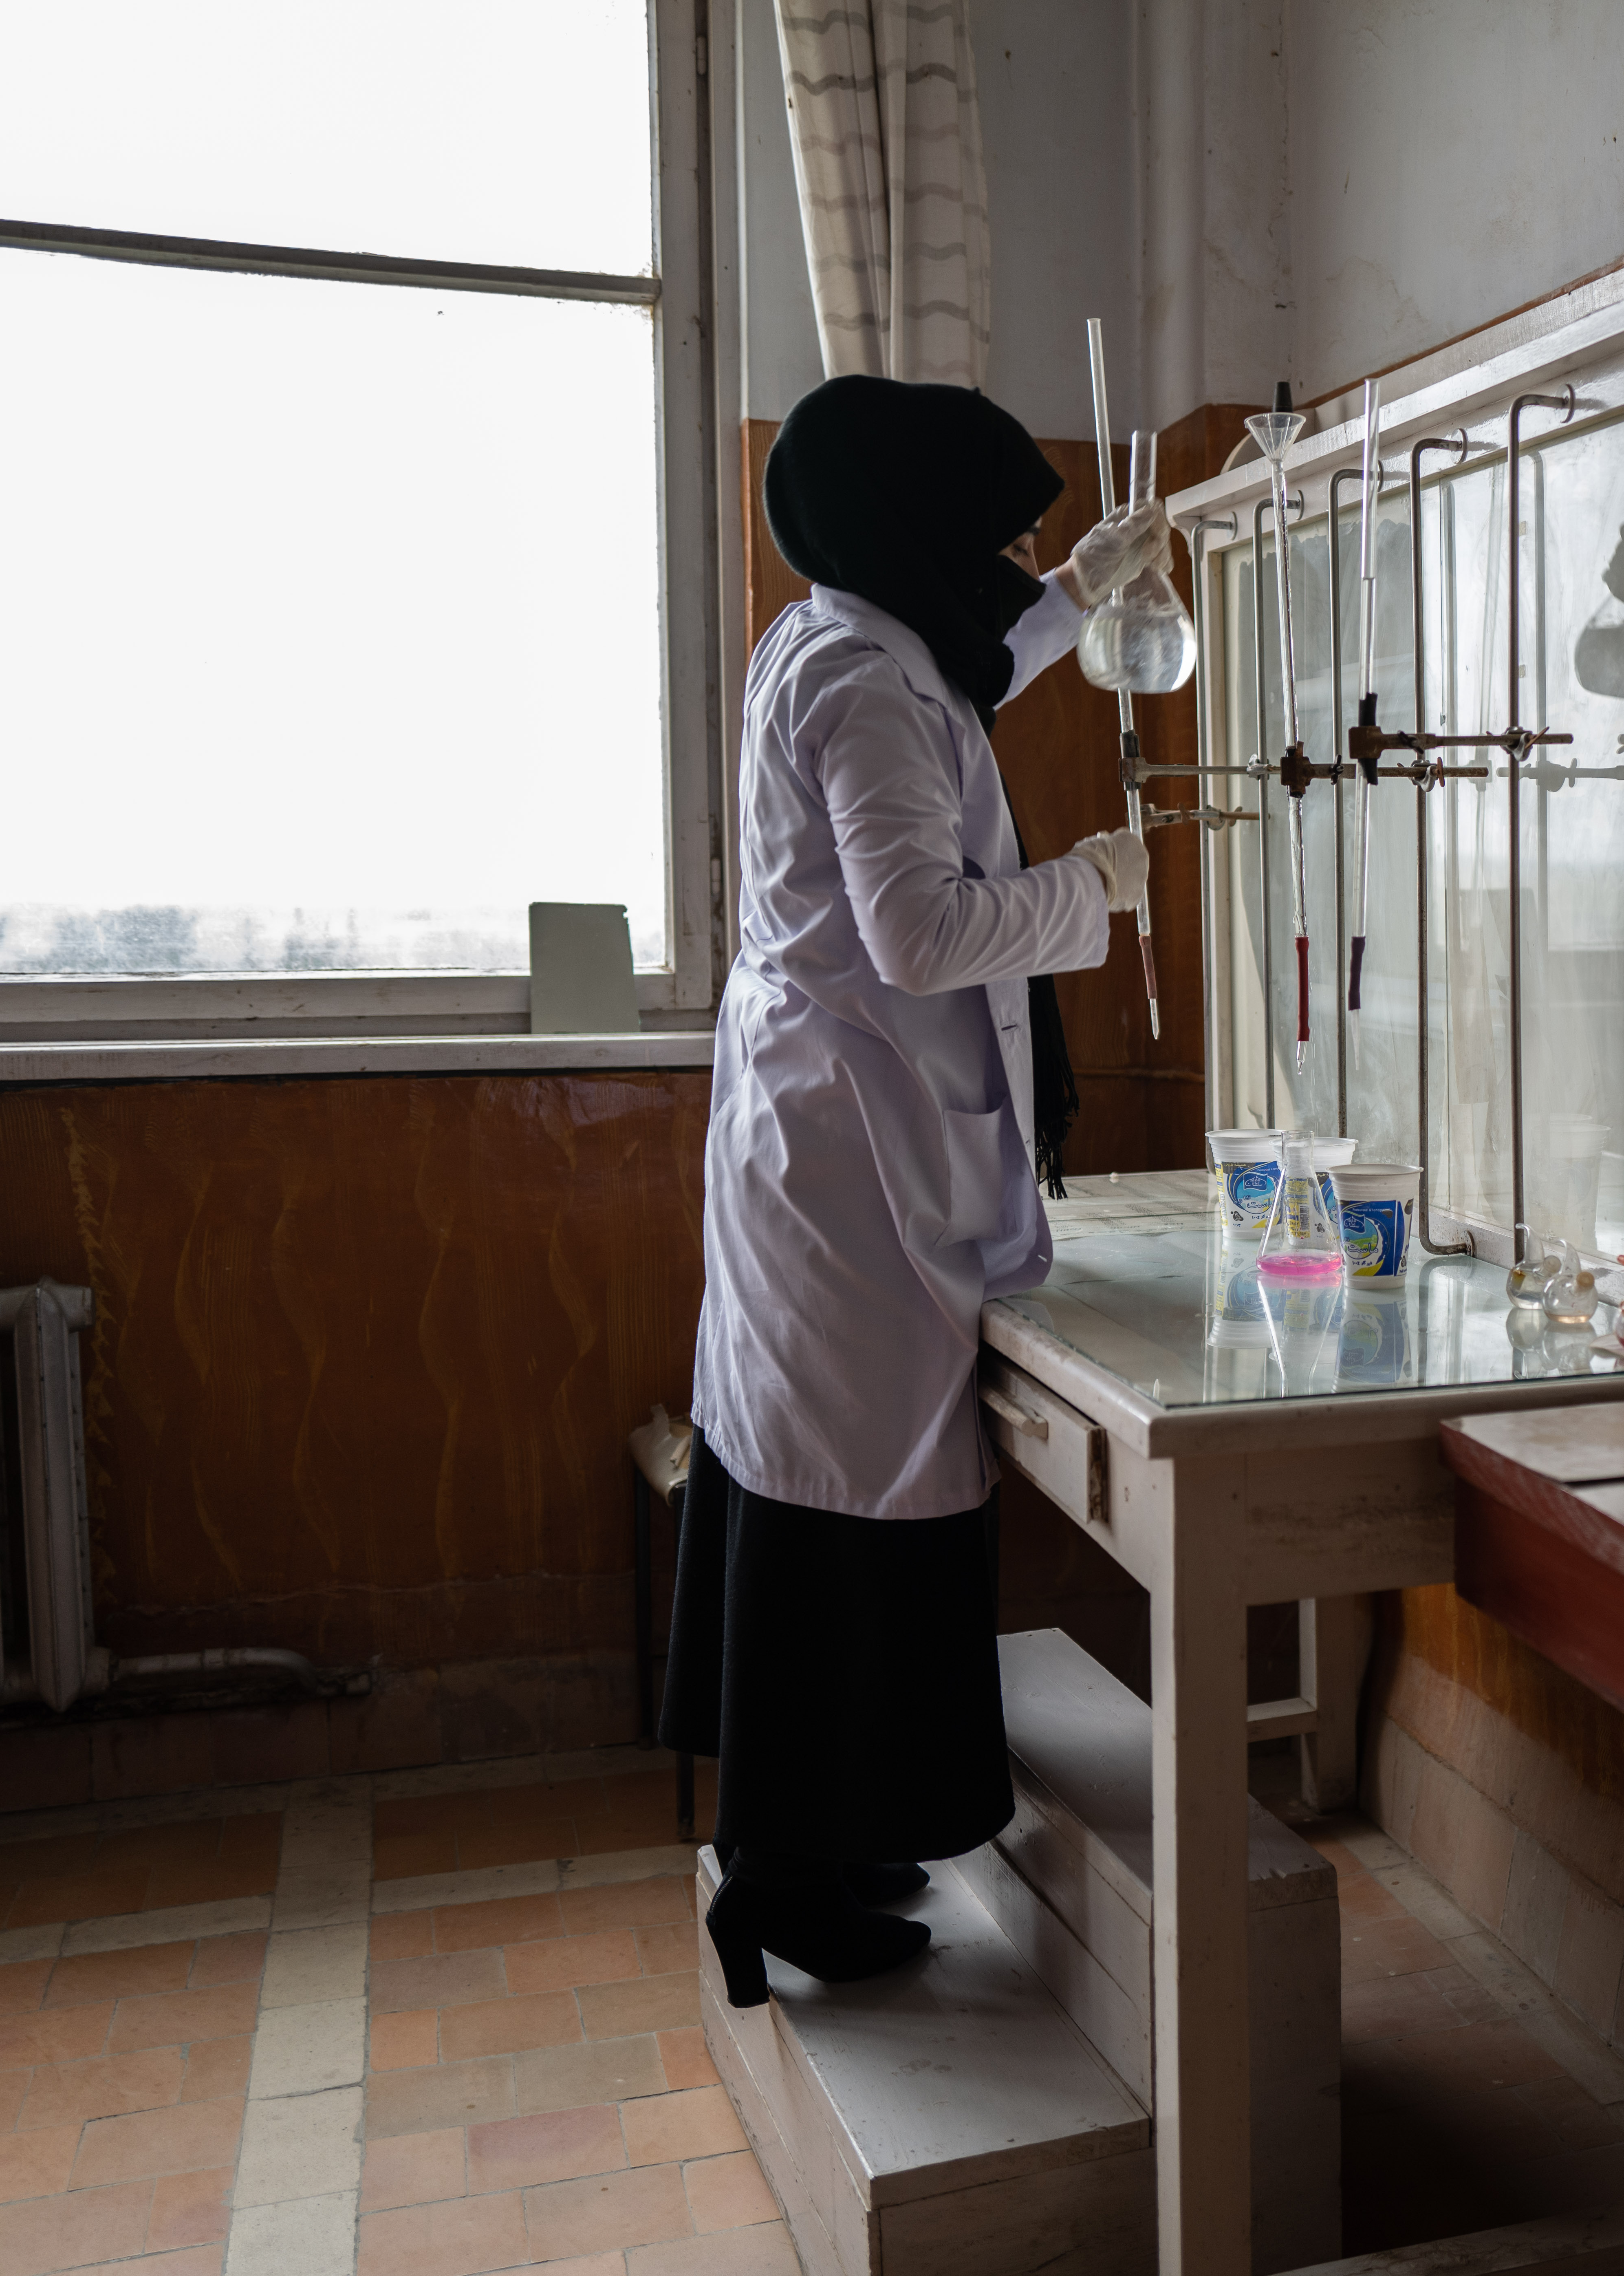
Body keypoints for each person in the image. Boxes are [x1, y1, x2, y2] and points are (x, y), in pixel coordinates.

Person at [659, 374, 1168, 2009]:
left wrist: (1076, 588)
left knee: (830, 1491)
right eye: (991, 538)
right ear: (911, 529)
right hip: (850, 1152)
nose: (1000, 564)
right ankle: (784, 1881)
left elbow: (970, 660)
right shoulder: (861, 685)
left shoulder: (843, 633)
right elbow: (923, 932)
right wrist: (1091, 889)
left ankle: (827, 1842)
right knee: (846, 1511)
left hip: (833, 1128)